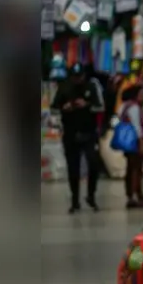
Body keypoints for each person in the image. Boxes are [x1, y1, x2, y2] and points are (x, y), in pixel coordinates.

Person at [53, 62, 106, 213]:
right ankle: (75, 200)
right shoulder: (64, 87)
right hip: (70, 133)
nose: (78, 80)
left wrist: (87, 105)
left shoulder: (92, 86)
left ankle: (91, 195)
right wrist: (65, 108)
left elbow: (100, 107)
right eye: (75, 77)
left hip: (89, 133)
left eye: (80, 76)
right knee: (73, 168)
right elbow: (54, 108)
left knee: (93, 163)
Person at [118, 85, 143, 208]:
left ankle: (130, 195)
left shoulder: (123, 106)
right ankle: (137, 195)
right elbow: (137, 127)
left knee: (130, 168)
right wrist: (141, 142)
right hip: (135, 143)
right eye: (141, 94)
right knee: (137, 169)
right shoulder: (134, 107)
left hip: (127, 143)